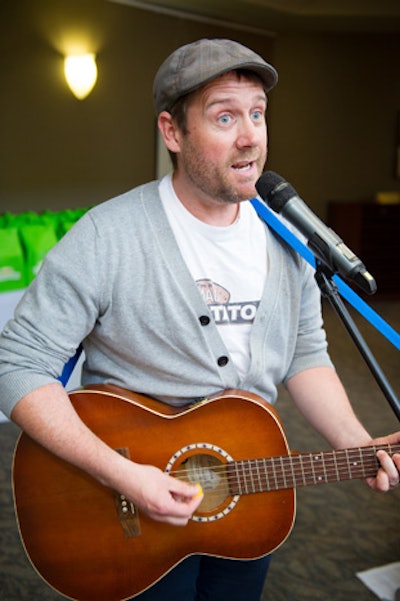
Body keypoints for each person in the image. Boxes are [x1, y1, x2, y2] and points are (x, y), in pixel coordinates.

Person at [0, 38, 399, 601]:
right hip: (127, 507)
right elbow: (17, 365)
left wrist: (357, 444)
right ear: (172, 133)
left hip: (246, 502)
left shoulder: (288, 239)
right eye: (225, 116)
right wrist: (123, 475)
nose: (250, 135)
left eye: (257, 114)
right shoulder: (107, 237)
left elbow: (305, 353)